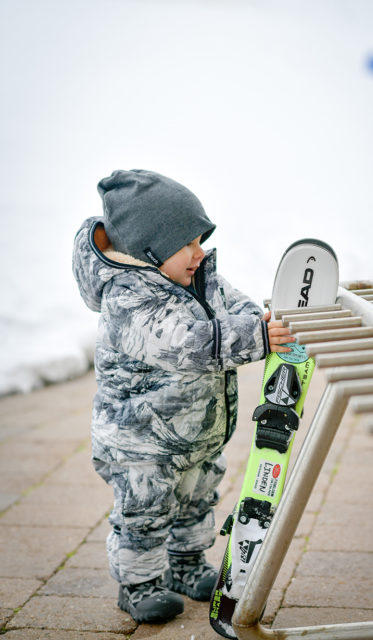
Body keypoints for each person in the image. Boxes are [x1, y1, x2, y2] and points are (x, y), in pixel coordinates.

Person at [72, 169, 294, 624]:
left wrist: (260, 320)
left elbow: (238, 305)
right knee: (146, 513)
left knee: (196, 500)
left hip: (196, 433)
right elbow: (180, 343)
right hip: (141, 444)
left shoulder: (200, 274)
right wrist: (255, 338)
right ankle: (139, 586)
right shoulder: (127, 299)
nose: (199, 252)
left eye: (200, 239)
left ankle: (187, 565)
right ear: (150, 249)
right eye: (187, 243)